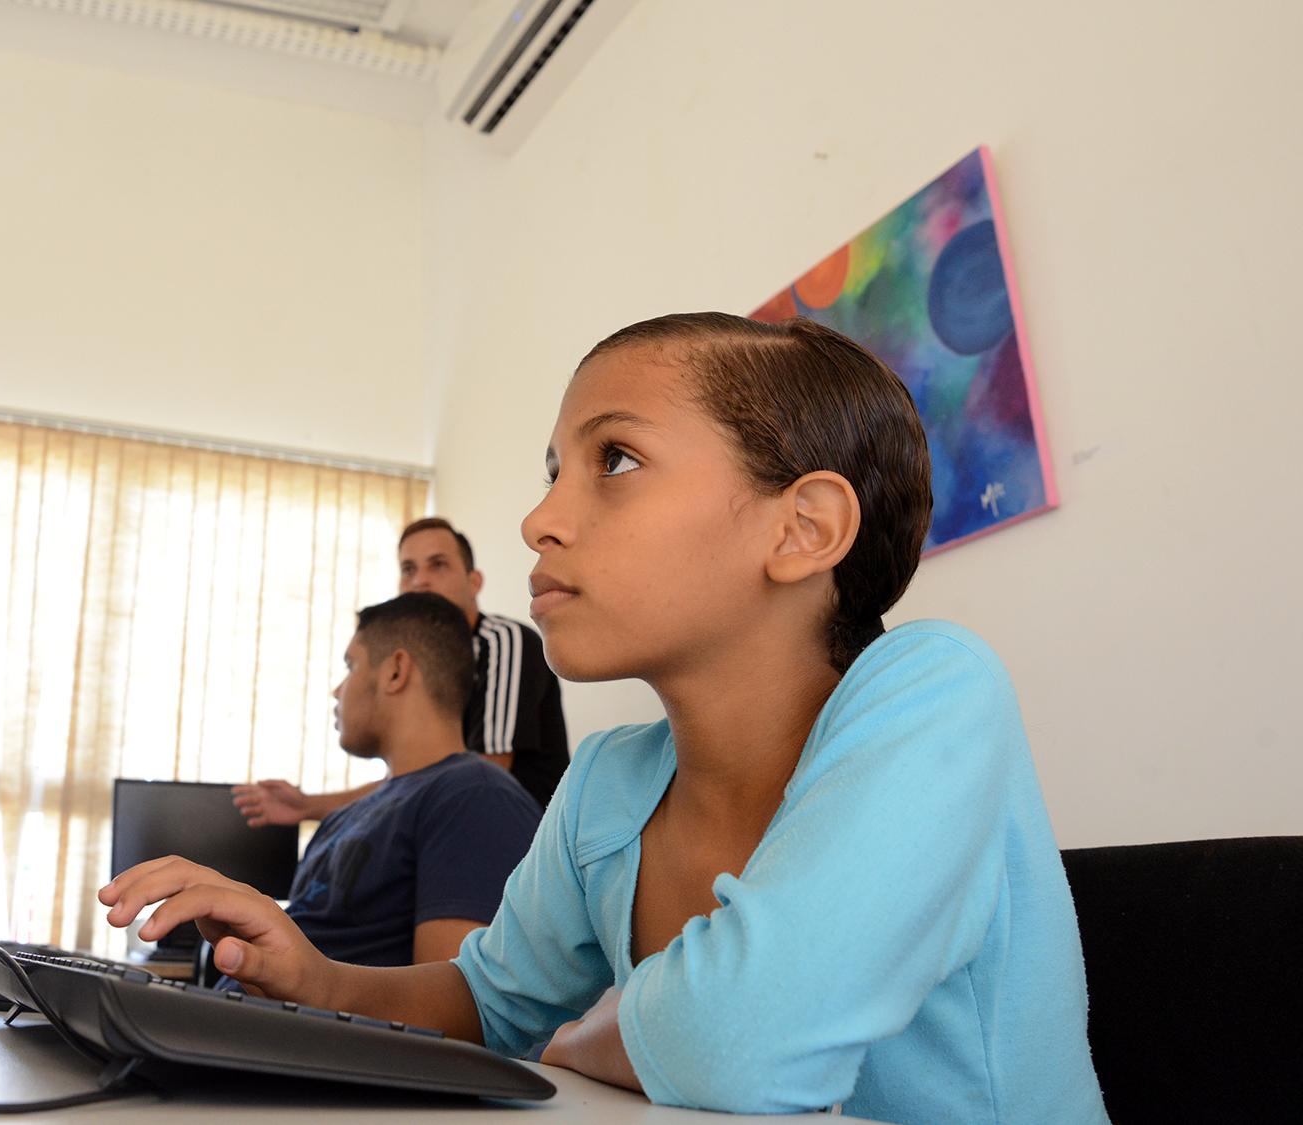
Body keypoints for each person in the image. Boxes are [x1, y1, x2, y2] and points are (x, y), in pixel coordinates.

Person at [102, 313, 1109, 1123]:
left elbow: (736, 1048)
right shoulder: (609, 782)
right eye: (552, 472)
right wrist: (315, 978)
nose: (540, 520)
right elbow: (487, 1003)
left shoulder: (932, 691)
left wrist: (583, 1038)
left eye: (613, 460)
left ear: (802, 528)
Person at [234, 519, 568, 827]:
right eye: (408, 569)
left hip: (516, 847)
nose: (420, 580)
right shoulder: (415, 662)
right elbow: (414, 777)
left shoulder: (502, 641)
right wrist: (308, 806)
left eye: (438, 565)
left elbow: (479, 781)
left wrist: (316, 807)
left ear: (474, 582)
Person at [272, 591, 540, 967]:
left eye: (351, 665)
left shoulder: (475, 797)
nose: (337, 690)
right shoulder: (344, 818)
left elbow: (448, 1009)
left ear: (396, 671)